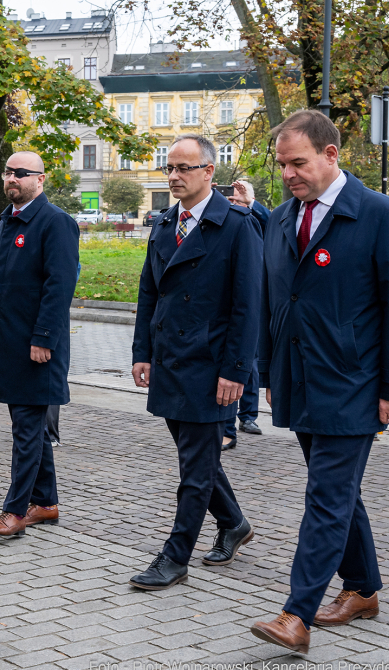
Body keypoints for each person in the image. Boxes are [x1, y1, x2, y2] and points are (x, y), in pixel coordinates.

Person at [251, 110, 389, 653]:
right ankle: (363, 589)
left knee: (326, 495)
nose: (288, 174)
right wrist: (269, 371)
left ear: (331, 154)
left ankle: (295, 614)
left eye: (298, 163)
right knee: (339, 493)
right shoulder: (281, 218)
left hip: (355, 382)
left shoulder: (381, 215)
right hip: (299, 379)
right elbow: (271, 300)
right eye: (282, 164)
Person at [127, 134, 262, 590]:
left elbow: (248, 306)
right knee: (199, 460)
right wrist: (142, 352)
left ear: (209, 172)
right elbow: (149, 292)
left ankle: (175, 556)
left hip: (211, 364)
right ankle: (234, 523)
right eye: (170, 167)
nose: (174, 176)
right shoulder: (165, 223)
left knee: (194, 468)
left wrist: (236, 371)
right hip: (169, 359)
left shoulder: (238, 226)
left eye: (184, 168)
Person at [0, 151, 79, 538]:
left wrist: (44, 338)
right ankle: (46, 503)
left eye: (20, 173)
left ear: (40, 179)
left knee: (27, 431)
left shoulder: (56, 223)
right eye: (7, 172)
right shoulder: (5, 222)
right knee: (27, 426)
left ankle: (15, 510)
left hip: (37, 348)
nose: (11, 178)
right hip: (8, 344)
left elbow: (59, 287)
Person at [223, 179, 269, 449]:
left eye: (241, 202)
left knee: (249, 365)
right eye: (233, 202)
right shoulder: (225, 222)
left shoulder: (256, 221)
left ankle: (248, 416)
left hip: (253, 306)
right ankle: (227, 427)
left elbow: (271, 222)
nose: (236, 205)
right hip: (226, 308)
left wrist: (251, 202)